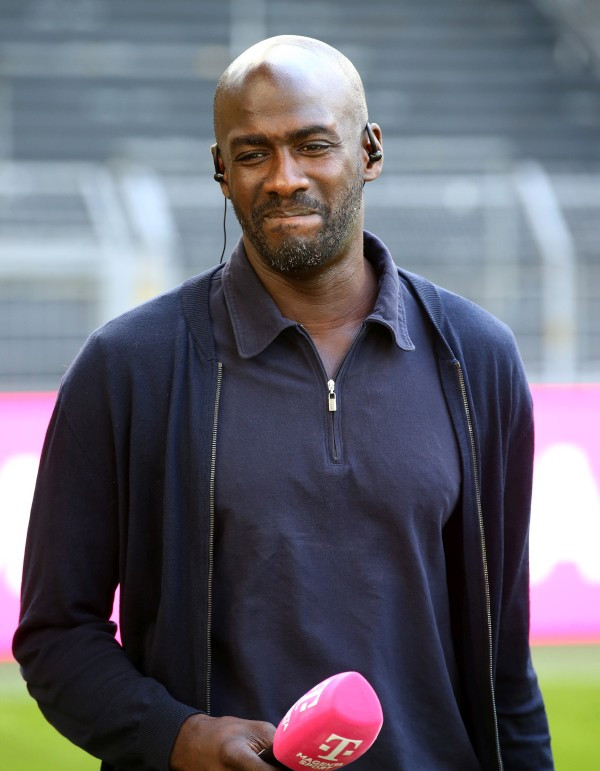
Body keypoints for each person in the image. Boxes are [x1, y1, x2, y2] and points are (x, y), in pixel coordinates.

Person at [13, 35, 553, 771]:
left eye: (313, 145)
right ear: (220, 170)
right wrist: (177, 736)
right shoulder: (129, 365)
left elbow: (503, 658)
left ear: (369, 151)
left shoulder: (476, 358)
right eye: (253, 153)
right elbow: (55, 633)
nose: (283, 177)